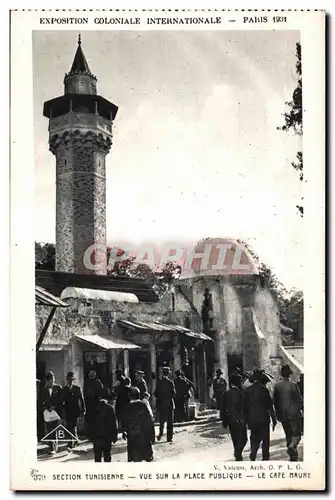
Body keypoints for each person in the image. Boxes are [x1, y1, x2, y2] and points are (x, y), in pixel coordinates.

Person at [244, 369, 277, 461]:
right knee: (265, 440)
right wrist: (274, 420)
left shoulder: (247, 390)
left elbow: (245, 407)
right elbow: (270, 406)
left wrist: (246, 420)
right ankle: (265, 457)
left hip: (252, 419)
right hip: (264, 419)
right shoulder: (264, 390)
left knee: (254, 437)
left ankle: (253, 453)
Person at [273, 365, 303, 462]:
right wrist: (300, 410)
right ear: (290, 374)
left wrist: (278, 415)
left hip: (283, 415)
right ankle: (292, 447)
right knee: (297, 435)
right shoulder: (293, 385)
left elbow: (275, 402)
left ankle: (293, 457)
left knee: (288, 435)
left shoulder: (277, 386)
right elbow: (300, 401)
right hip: (294, 414)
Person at [123, 387, 155, 462]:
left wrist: (124, 431)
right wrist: (152, 435)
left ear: (130, 396)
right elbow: (149, 421)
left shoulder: (127, 407)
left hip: (132, 436)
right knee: (145, 457)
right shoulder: (143, 405)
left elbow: (124, 422)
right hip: (143, 436)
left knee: (135, 459)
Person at [221, 373, 247, 461]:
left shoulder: (226, 393)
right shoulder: (242, 393)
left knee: (235, 438)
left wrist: (224, 421)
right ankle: (238, 452)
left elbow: (223, 409)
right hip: (241, 419)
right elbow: (246, 407)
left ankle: (237, 452)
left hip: (231, 420)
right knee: (244, 439)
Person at [91, 388, 118, 462]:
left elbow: (90, 424)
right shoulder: (110, 409)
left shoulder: (94, 408)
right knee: (107, 456)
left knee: (97, 457)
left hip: (96, 437)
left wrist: (91, 437)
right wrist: (115, 437)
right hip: (107, 437)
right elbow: (114, 424)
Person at [40, 371, 63, 454]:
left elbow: (61, 400)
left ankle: (54, 448)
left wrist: (55, 406)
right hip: (48, 412)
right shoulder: (44, 390)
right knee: (49, 430)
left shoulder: (58, 388)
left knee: (54, 429)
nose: (51, 381)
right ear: (47, 380)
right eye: (50, 379)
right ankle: (52, 447)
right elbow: (42, 401)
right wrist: (46, 408)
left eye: (53, 379)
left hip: (55, 412)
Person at [62, 372, 85, 449]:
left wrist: (83, 409)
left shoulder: (77, 388)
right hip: (67, 410)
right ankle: (74, 440)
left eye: (71, 379)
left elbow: (81, 400)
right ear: (67, 380)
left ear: (73, 380)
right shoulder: (64, 389)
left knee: (73, 426)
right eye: (68, 379)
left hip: (75, 410)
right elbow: (62, 400)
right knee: (69, 426)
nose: (70, 381)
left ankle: (70, 442)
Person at [155, 366, 176, 443]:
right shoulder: (171, 382)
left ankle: (160, 434)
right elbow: (174, 394)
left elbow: (155, 393)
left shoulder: (159, 382)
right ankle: (169, 438)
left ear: (162, 373)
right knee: (170, 422)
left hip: (161, 404)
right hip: (169, 404)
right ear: (168, 374)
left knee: (161, 421)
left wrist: (161, 398)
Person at [84, 370, 103, 438]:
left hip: (91, 403)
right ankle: (93, 433)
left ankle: (91, 433)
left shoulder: (88, 382)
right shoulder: (97, 382)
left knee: (91, 419)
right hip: (93, 403)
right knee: (94, 419)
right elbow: (101, 392)